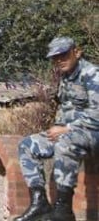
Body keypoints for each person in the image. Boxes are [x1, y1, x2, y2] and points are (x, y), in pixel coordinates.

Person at [14, 36, 99, 221]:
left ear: (77, 52)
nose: (59, 60)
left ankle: (64, 210)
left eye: (64, 55)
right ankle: (39, 203)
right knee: (27, 145)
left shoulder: (92, 74)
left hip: (92, 132)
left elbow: (97, 113)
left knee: (64, 143)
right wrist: (58, 127)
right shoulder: (65, 76)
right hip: (69, 131)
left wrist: (67, 128)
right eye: (55, 57)